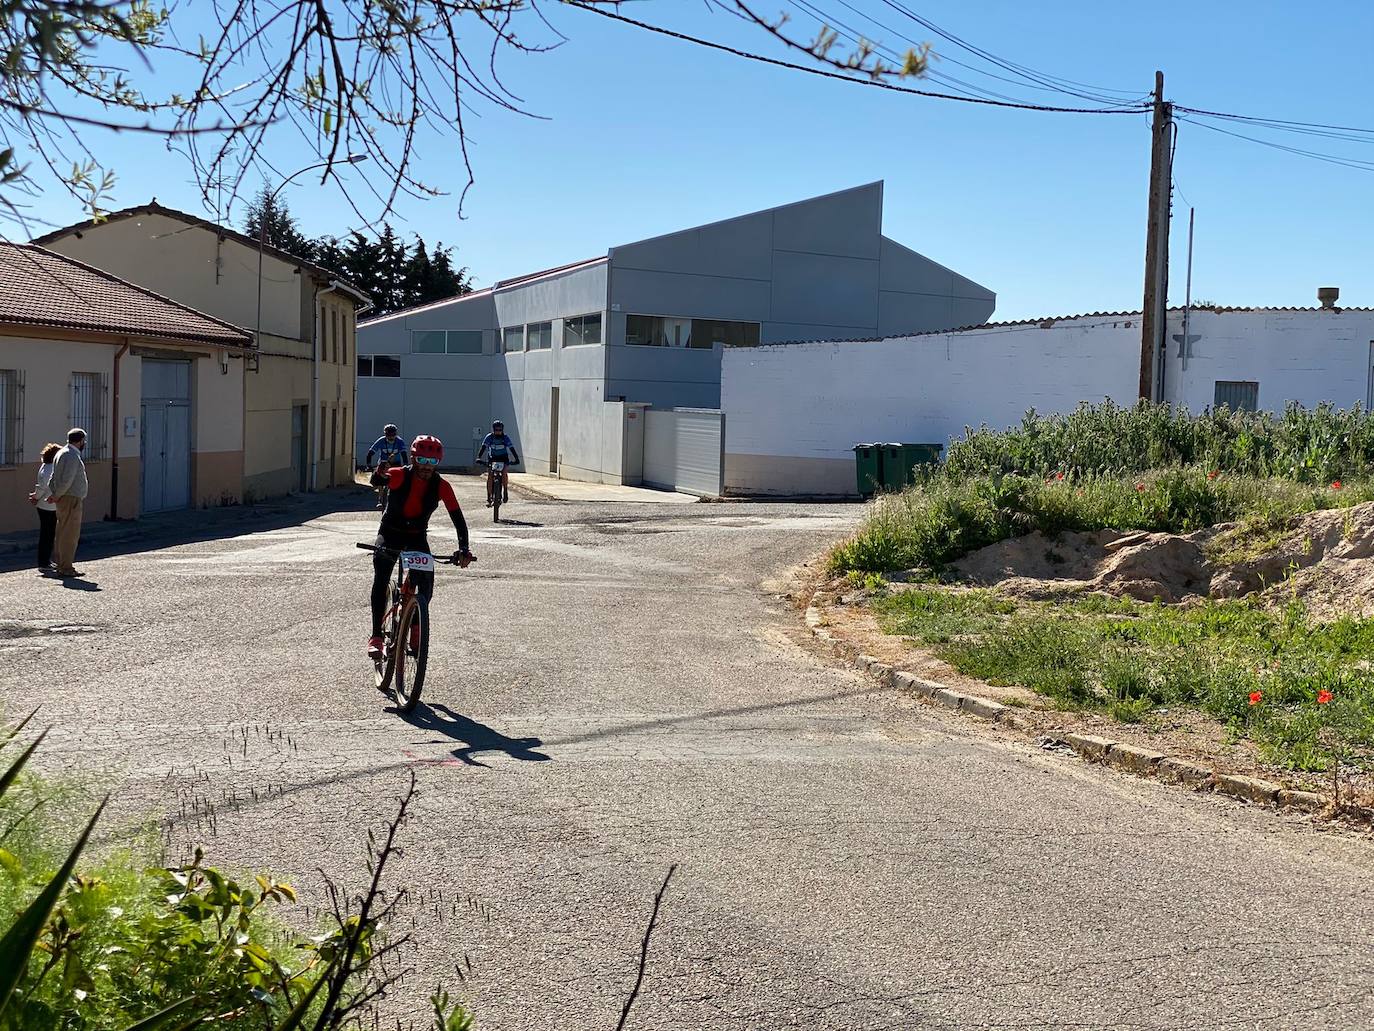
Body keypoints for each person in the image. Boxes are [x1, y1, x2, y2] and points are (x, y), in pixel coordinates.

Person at [368, 434, 475, 658]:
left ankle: (416, 626)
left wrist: (464, 549)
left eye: (433, 462)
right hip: (390, 533)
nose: (427, 467)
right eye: (422, 461)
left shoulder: (442, 486)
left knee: (425, 586)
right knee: (381, 575)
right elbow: (378, 481)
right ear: (414, 459)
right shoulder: (399, 475)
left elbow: (458, 519)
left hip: (416, 536)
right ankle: (376, 636)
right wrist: (379, 473)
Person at [45, 428, 88, 579]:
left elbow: (53, 477)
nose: (85, 443)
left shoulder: (61, 452)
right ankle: (66, 567)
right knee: (70, 534)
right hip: (71, 499)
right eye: (84, 440)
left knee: (62, 532)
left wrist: (54, 494)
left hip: (64, 497)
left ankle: (61, 564)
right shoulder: (72, 456)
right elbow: (67, 479)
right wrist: (56, 495)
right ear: (80, 440)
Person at [27, 442, 61, 573]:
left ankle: (45, 560)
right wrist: (36, 496)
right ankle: (44, 561)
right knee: (48, 534)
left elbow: (40, 487)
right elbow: (44, 487)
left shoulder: (44, 466)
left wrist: (35, 497)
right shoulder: (52, 469)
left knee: (46, 533)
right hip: (49, 505)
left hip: (43, 504)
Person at [476, 420, 520, 507]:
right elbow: (483, 448)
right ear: (493, 430)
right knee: (490, 476)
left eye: (500, 430)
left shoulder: (505, 438)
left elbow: (512, 448)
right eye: (496, 430)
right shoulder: (489, 437)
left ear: (502, 430)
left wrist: (516, 458)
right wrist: (478, 457)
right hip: (492, 458)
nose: (498, 432)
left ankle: (505, 491)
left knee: (504, 473)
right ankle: (489, 497)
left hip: (503, 458)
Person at [365, 424, 409, 508]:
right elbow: (370, 452)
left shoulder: (399, 441)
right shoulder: (381, 441)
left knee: (399, 480)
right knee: (379, 480)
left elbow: (404, 454)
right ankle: (380, 499)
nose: (391, 438)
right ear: (385, 435)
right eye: (389, 436)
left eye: (393, 436)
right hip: (383, 462)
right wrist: (368, 464)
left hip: (395, 463)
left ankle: (397, 497)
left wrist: (405, 465)